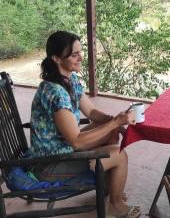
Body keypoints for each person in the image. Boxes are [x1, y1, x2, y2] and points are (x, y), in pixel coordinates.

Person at [26, 30, 140, 218]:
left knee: (112, 134)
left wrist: (116, 119)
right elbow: (77, 142)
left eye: (80, 52)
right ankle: (115, 205)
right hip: (49, 164)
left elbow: (92, 112)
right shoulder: (56, 93)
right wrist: (114, 123)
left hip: (61, 148)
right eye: (74, 54)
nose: (80, 58)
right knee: (120, 155)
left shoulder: (69, 80)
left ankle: (107, 191)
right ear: (56, 58)